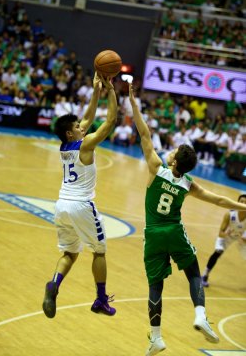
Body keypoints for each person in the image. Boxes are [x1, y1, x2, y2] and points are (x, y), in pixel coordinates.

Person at [128, 83, 246, 355]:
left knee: (155, 284)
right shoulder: (189, 184)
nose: (170, 151)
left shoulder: (156, 168)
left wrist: (134, 102)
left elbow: (143, 131)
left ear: (173, 160)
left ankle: (156, 337)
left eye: (173, 150)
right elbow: (219, 200)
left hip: (153, 234)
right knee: (193, 272)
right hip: (174, 231)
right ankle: (200, 314)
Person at [42, 72, 117, 319]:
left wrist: (96, 90)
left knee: (70, 254)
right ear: (70, 134)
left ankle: (54, 284)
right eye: (77, 127)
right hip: (81, 206)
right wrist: (111, 91)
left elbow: (87, 117)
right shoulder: (85, 145)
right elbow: (109, 122)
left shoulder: (66, 146)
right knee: (99, 251)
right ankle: (101, 300)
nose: (82, 127)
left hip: (62, 205)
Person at [202, 194, 246, 287]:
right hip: (227, 236)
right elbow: (220, 233)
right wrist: (227, 234)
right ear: (237, 203)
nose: (243, 204)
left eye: (245, 202)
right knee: (218, 251)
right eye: (241, 202)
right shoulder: (229, 214)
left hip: (240, 237)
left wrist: (242, 238)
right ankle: (205, 275)